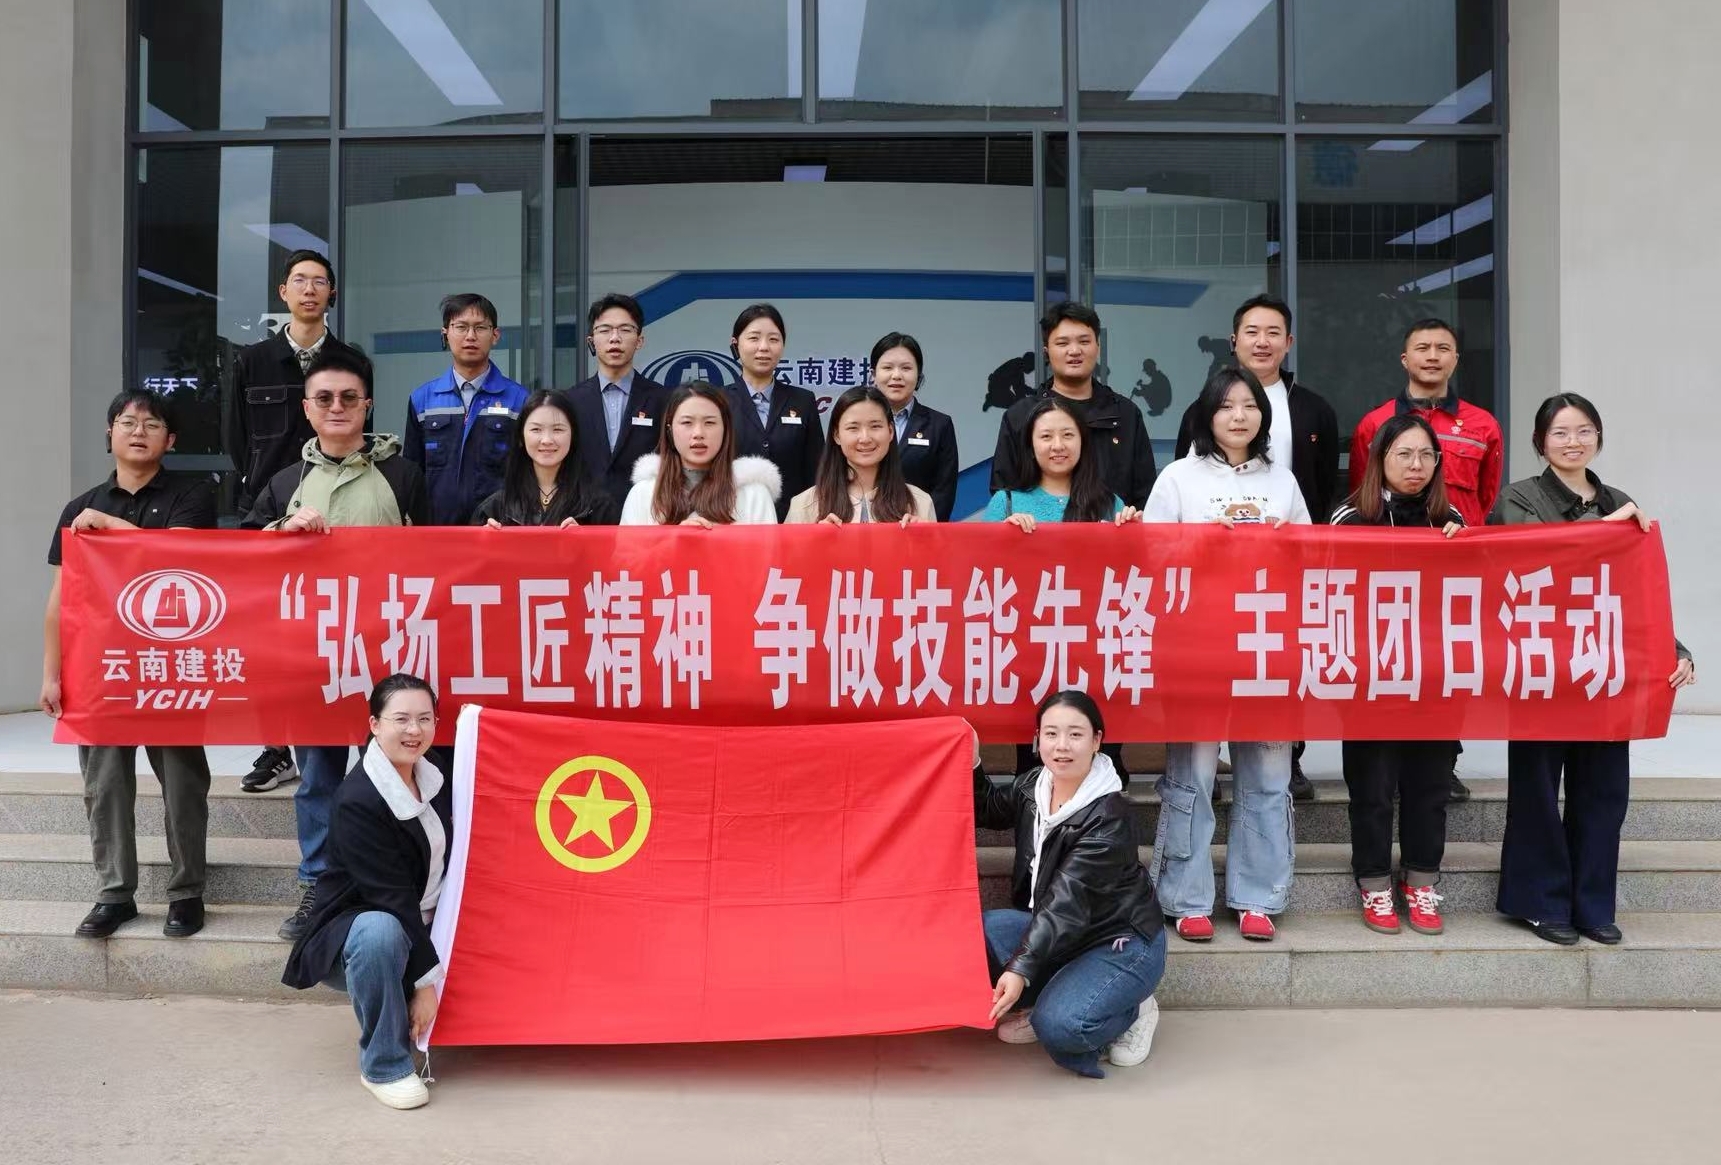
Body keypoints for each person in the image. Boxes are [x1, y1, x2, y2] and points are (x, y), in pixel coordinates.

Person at [1490, 393, 1697, 945]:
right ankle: (1540, 902)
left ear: (1599, 438)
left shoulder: (1619, 500)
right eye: (1560, 433)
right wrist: (1606, 526)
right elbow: (1538, 560)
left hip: (1603, 666)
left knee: (1604, 793)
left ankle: (1592, 904)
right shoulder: (1519, 497)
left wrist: (1676, 650)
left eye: (1584, 431)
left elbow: (1639, 592)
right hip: (1540, 666)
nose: (1573, 441)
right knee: (1537, 790)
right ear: (1540, 443)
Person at [242, 347, 430, 941]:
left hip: (389, 651)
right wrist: (281, 529)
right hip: (314, 655)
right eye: (323, 398)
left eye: (349, 397)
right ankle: (318, 885)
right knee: (319, 778)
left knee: (392, 769)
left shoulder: (403, 476)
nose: (337, 407)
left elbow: (439, 556)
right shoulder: (285, 482)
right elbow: (242, 557)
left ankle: (397, 883)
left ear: (367, 405)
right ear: (306, 408)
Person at [39, 389, 217, 939]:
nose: (138, 432)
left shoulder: (193, 494)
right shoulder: (80, 506)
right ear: (109, 432)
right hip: (102, 667)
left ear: (171, 440)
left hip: (171, 663)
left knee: (183, 782)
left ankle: (187, 893)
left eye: (152, 424)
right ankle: (115, 895)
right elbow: (61, 599)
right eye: (127, 422)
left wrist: (111, 528)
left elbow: (179, 558)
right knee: (105, 783)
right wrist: (51, 672)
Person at [1143, 364, 1307, 942]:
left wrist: (1281, 544)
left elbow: (1313, 558)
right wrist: (1204, 543)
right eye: (1226, 405)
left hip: (1267, 646)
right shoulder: (1177, 478)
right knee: (1192, 773)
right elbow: (1150, 558)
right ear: (1206, 414)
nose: (1239, 416)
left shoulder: (1282, 481)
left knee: (1267, 773)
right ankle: (1185, 897)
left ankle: (1258, 895)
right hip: (1199, 646)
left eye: (1250, 406)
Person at [1174, 294, 1340, 801]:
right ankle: (1208, 765)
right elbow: (1174, 517)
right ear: (1234, 341)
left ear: (1289, 343)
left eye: (1273, 333)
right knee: (1212, 681)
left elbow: (1323, 488)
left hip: (1279, 580)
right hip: (1210, 591)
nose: (1262, 341)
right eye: (1252, 331)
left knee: (1276, 672)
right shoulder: (1197, 418)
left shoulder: (1314, 409)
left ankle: (1290, 758)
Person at [225, 248, 367, 796]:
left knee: (339, 630)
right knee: (277, 638)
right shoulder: (253, 360)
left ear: (333, 294)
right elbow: (236, 438)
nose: (310, 290)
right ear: (283, 293)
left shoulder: (351, 359)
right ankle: (277, 746)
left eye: (320, 282)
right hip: (273, 509)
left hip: (338, 511)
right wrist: (264, 496)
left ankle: (354, 733)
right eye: (300, 281)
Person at [974, 690, 1167, 1079]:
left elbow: (1065, 903)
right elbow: (989, 808)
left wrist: (1020, 971)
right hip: (1064, 934)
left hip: (1119, 941)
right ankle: (1054, 996)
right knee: (976, 935)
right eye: (1051, 733)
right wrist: (972, 761)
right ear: (1037, 739)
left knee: (1062, 1028)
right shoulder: (1034, 785)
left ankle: (1133, 1010)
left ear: (1097, 741)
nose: (1061, 746)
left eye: (1075, 734)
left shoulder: (1110, 817)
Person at [1350, 318, 1504, 803]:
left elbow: (1486, 495)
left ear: (1456, 359)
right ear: (1405, 358)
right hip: (1386, 577)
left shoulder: (1483, 424)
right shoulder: (1374, 423)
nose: (1432, 356)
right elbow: (1364, 493)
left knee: (1447, 665)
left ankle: (1444, 761)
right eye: (1422, 348)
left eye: (1443, 348)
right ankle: (1385, 763)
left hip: (1455, 575)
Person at [282, 674, 449, 1111]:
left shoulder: (434, 772)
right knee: (380, 930)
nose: (414, 730)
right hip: (362, 933)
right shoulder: (359, 799)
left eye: (425, 719)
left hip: (429, 920)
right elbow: (392, 898)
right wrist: (426, 984)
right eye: (401, 719)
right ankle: (385, 1065)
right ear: (374, 725)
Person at [1330, 415, 1465, 935]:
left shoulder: (1450, 518)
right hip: (1371, 677)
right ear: (1379, 460)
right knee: (1373, 786)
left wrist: (1464, 545)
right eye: (1403, 454)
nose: (1416, 465)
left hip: (1435, 675)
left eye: (1426, 455)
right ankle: (1374, 883)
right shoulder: (1350, 518)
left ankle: (1422, 881)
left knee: (1431, 785)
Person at [990, 302, 1156, 510]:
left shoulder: (1125, 414)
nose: (1075, 351)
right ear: (1047, 352)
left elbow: (1145, 496)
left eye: (1084, 341)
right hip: (1040, 530)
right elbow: (1004, 495)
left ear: (1098, 347)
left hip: (1112, 529)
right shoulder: (1021, 416)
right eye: (1062, 343)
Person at [401, 293, 531, 527]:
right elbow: (412, 471)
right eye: (461, 327)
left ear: (495, 335)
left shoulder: (519, 400)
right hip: (436, 531)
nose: (470, 336)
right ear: (445, 334)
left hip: (497, 529)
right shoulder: (423, 400)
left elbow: (528, 473)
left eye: (480, 327)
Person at [562, 293, 669, 512]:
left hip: (644, 514)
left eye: (625, 329)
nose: (615, 338)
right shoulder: (570, 401)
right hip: (582, 517)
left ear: (639, 340)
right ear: (591, 341)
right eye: (605, 330)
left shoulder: (663, 399)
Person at [621, 381, 780, 526]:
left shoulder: (755, 494)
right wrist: (675, 541)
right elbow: (627, 550)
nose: (698, 433)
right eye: (687, 422)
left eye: (709, 422)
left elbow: (767, 549)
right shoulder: (643, 494)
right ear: (669, 430)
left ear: (726, 429)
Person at [723, 304, 821, 521]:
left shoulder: (803, 401)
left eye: (774, 339)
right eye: (754, 338)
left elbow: (816, 469)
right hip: (733, 519)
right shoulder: (718, 402)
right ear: (735, 344)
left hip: (794, 521)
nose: (764, 347)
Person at [785, 386, 935, 525]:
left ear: (890, 431)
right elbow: (786, 547)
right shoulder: (804, 505)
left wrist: (923, 539)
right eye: (853, 428)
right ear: (837, 435)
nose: (865, 438)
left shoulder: (920, 503)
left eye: (875, 426)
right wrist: (813, 540)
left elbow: (936, 546)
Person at [472, 390, 619, 527]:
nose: (547, 440)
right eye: (536, 429)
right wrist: (485, 541)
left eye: (558, 429)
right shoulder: (494, 509)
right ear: (521, 437)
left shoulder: (600, 508)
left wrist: (585, 541)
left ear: (573, 435)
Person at [868, 333, 958, 520]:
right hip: (864, 527)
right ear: (873, 375)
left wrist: (924, 526)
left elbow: (943, 491)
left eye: (906, 368)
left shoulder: (939, 425)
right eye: (887, 367)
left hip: (917, 529)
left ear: (918, 376)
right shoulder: (855, 421)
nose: (896, 375)